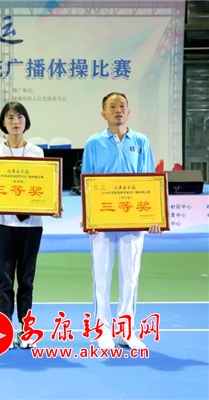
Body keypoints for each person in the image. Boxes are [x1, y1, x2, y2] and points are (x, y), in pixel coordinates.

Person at [0, 101, 62, 349]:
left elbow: (45, 186)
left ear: (26, 121)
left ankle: (25, 328)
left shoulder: (37, 153)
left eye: (20, 117)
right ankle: (5, 328)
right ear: (3, 122)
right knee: (4, 279)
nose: (15, 122)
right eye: (10, 117)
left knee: (26, 279)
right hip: (2, 224)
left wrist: (54, 203)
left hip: (32, 225)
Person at [81, 92, 161, 350]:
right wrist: (88, 217)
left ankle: (126, 331)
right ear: (103, 113)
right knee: (101, 275)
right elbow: (87, 179)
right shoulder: (94, 142)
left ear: (129, 111)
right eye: (112, 106)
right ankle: (102, 330)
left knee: (130, 276)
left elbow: (150, 180)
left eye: (122, 106)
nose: (118, 110)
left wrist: (154, 216)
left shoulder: (141, 141)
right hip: (102, 218)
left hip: (134, 218)